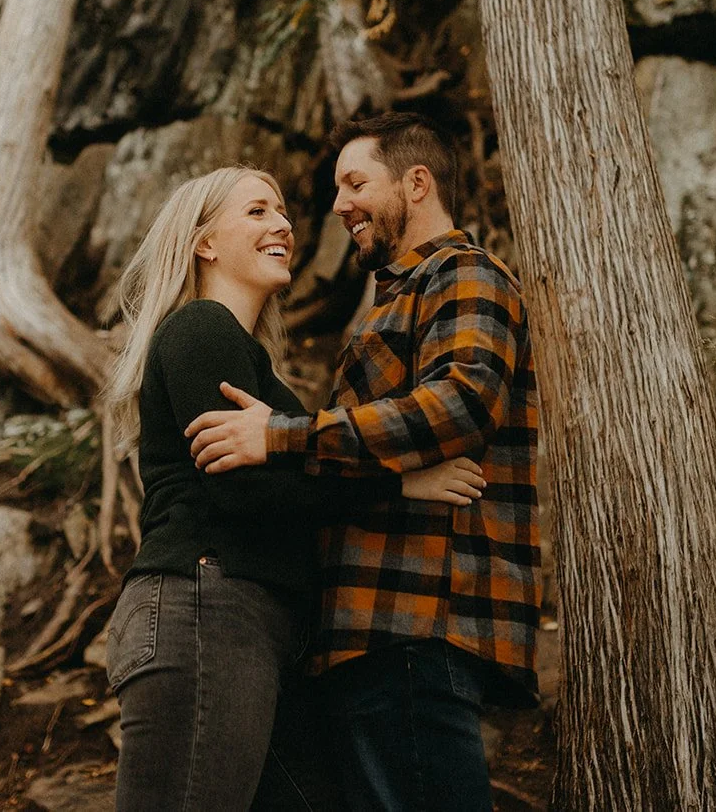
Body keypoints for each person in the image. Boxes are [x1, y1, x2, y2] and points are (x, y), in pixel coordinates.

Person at [101, 165, 488, 812]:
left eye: (281, 211)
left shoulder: (256, 369)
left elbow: (288, 480)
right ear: (205, 242)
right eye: (256, 211)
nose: (282, 224)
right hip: (206, 607)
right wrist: (399, 480)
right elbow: (247, 491)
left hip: (256, 632)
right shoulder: (200, 328)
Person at [187, 114, 542, 812]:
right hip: (369, 633)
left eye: (355, 182)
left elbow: (462, 403)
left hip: (416, 621)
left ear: (416, 182)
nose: (339, 203)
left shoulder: (465, 273)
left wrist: (282, 437)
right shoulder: (394, 301)